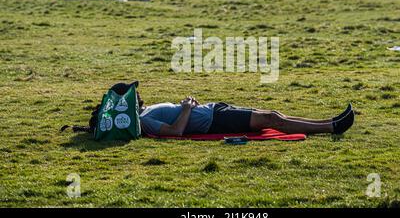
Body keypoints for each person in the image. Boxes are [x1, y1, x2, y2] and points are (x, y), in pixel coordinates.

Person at [84, 82, 355, 137]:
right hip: (214, 122)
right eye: (135, 95)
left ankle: (329, 121)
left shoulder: (144, 113)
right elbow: (176, 131)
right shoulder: (144, 123)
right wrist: (188, 107)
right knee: (272, 119)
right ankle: (332, 127)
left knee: (275, 115)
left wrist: (188, 105)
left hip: (215, 109)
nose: (139, 96)